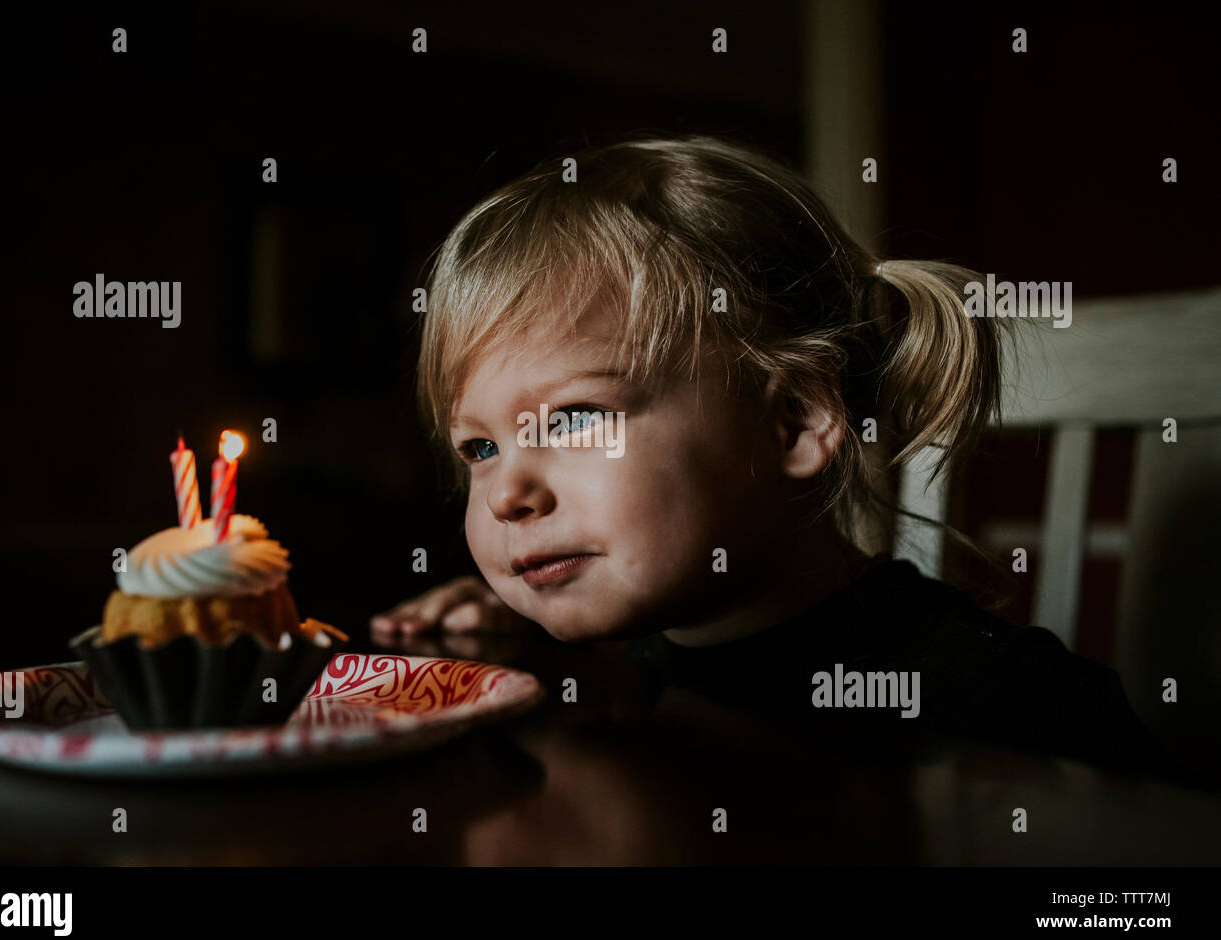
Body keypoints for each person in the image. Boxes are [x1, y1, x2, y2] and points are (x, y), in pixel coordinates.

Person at [371, 134, 1197, 787]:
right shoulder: (634, 675)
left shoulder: (1007, 705)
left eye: (577, 418)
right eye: (479, 447)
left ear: (796, 422)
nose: (508, 492)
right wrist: (534, 657)